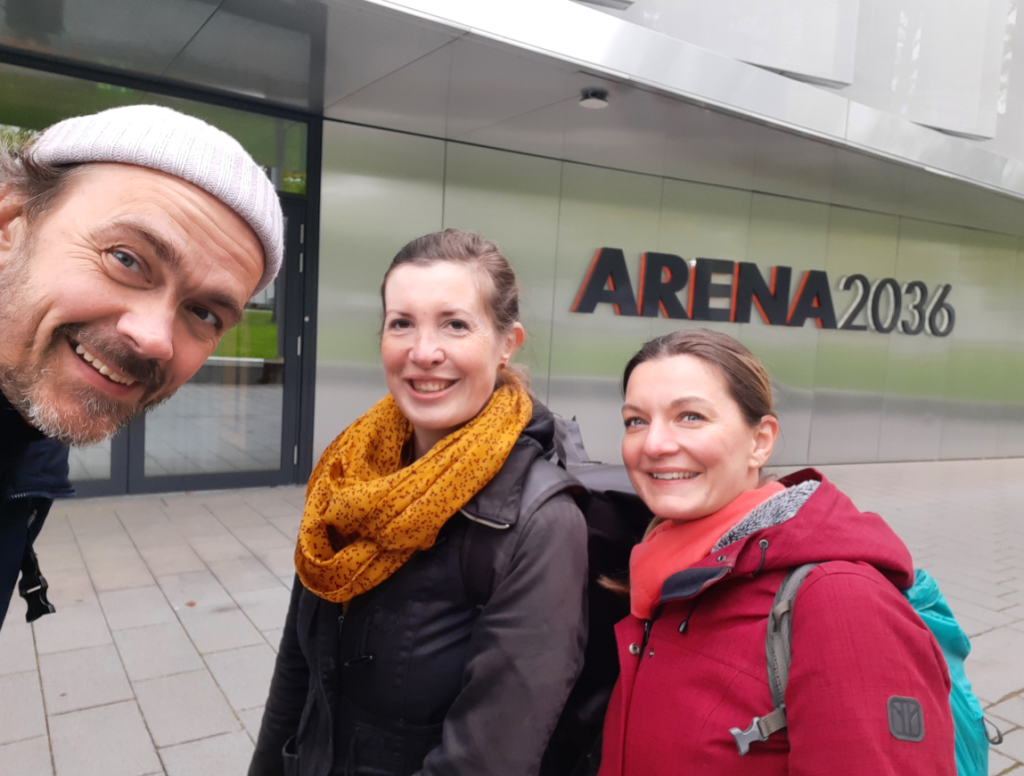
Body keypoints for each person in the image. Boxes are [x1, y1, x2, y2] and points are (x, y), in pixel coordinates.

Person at [250, 229, 589, 776]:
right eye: (401, 323)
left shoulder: (541, 522)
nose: (423, 352)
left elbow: (488, 757)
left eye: (455, 324)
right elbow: (297, 671)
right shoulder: (347, 476)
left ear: (507, 343)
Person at [597, 329, 956, 775]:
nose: (653, 444)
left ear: (760, 440)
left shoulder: (839, 601)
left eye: (690, 416)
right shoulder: (666, 570)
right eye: (636, 421)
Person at [0, 104, 283, 628]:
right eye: (126, 259)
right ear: (9, 225)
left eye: (202, 312)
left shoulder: (31, 447)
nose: (155, 339)